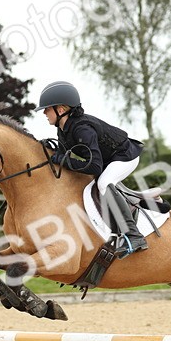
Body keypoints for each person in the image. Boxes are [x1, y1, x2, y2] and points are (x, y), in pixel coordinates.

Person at [36, 80, 148, 257]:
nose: (44, 112)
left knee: (103, 183)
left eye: (47, 108)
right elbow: (65, 156)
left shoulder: (82, 129)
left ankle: (134, 236)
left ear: (62, 109)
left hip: (125, 156)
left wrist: (62, 159)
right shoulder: (62, 129)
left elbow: (94, 166)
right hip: (107, 160)